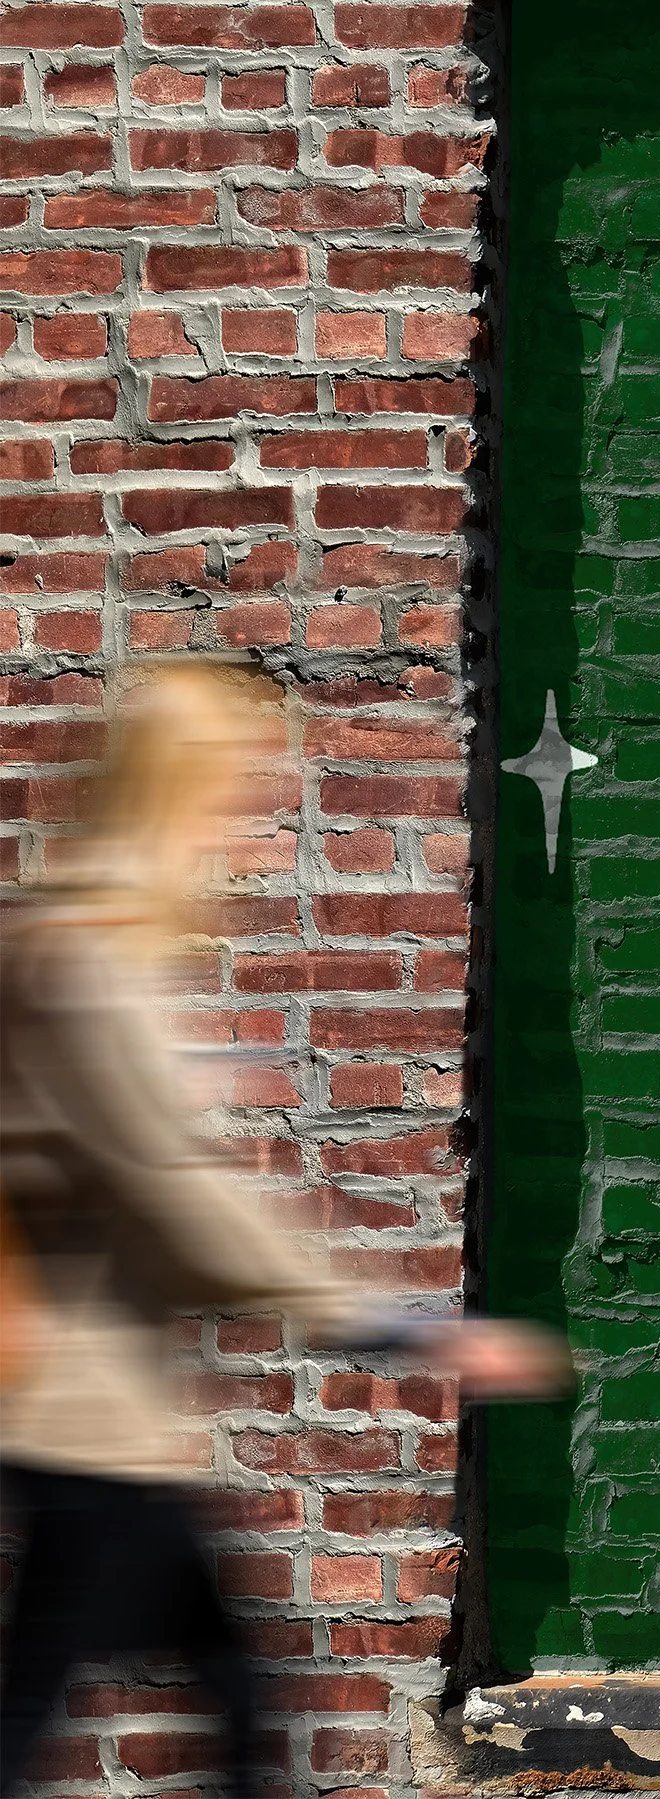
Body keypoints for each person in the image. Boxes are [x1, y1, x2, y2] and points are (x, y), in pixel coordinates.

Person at [0, 658, 567, 1796]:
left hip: (83, 1407)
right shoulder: (88, 960)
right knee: (219, 1706)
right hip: (80, 1413)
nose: (257, 827)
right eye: (241, 793)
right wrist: (403, 1332)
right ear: (180, 793)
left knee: (139, 1694)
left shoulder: (75, 944)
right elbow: (179, 1199)